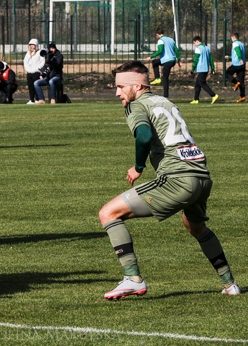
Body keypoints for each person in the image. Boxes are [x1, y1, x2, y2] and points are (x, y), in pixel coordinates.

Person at [99, 60, 240, 300]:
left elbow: (143, 137)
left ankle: (133, 279)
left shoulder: (136, 106)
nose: (117, 92)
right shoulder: (165, 101)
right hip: (201, 176)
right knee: (195, 226)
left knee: (108, 213)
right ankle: (230, 284)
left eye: (121, 87)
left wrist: (139, 166)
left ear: (137, 86)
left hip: (178, 178)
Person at [146, 28, 182, 98]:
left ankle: (165, 96)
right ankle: (157, 78)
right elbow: (177, 50)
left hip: (167, 61)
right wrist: (179, 60)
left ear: (157, 34)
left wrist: (150, 57)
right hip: (172, 60)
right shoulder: (171, 39)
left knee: (165, 78)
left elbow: (160, 51)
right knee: (155, 62)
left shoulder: (160, 40)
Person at [190, 36, 218, 105]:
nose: (194, 44)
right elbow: (211, 59)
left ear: (197, 41)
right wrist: (213, 68)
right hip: (206, 68)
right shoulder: (207, 48)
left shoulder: (198, 49)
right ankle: (196, 99)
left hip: (201, 68)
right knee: (197, 84)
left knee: (202, 83)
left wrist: (192, 69)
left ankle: (213, 95)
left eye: (194, 43)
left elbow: (196, 60)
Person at [224, 33, 246, 103]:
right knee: (241, 81)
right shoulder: (241, 44)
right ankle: (242, 97)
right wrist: (229, 57)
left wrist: (239, 59)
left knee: (227, 74)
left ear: (233, 37)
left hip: (236, 63)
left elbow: (237, 52)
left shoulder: (235, 43)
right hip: (242, 64)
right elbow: (238, 54)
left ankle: (236, 82)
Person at [24, 38, 44, 104]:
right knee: (30, 86)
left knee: (36, 85)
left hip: (36, 72)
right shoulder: (28, 53)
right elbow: (25, 61)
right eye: (30, 45)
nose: (32, 46)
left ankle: (37, 99)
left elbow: (42, 62)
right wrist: (27, 69)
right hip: (29, 72)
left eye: (33, 45)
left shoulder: (39, 53)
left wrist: (38, 68)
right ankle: (31, 99)